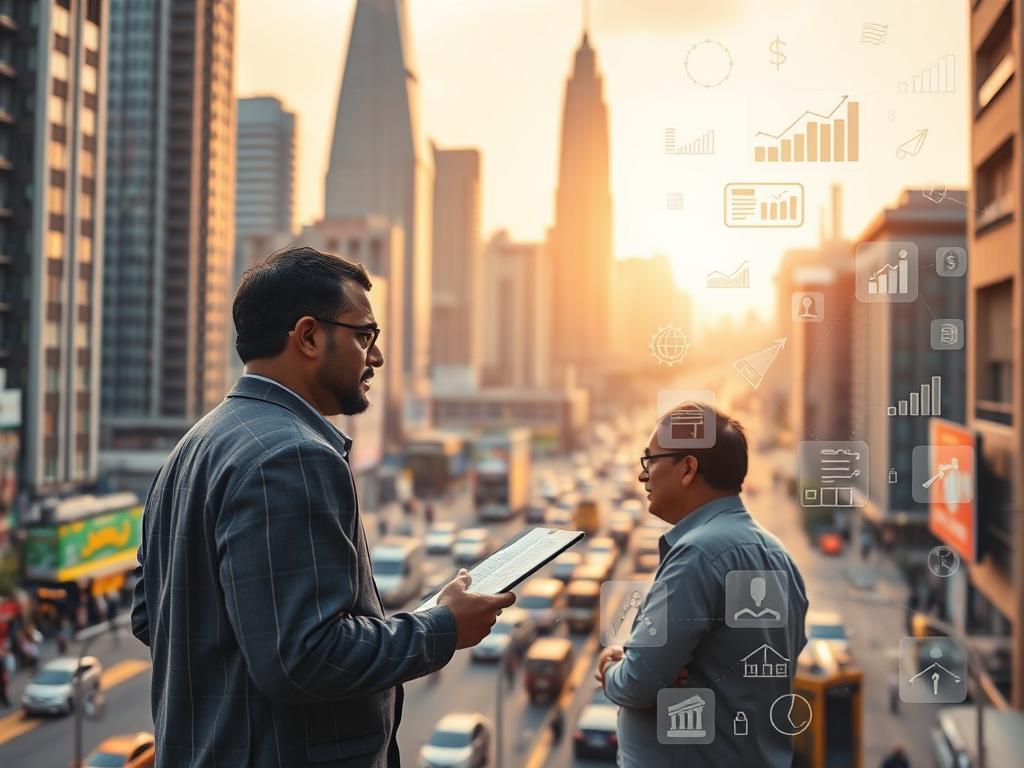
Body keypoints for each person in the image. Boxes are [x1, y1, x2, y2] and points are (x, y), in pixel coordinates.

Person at [131, 247, 514, 767]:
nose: (375, 357)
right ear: (308, 336)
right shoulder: (291, 455)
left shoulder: (192, 447)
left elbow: (152, 616)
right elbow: (302, 657)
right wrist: (441, 629)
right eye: (364, 336)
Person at [596, 402, 808, 768]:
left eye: (650, 461)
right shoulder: (780, 557)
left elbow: (639, 682)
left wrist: (611, 669)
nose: (642, 477)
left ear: (688, 468)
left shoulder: (697, 555)